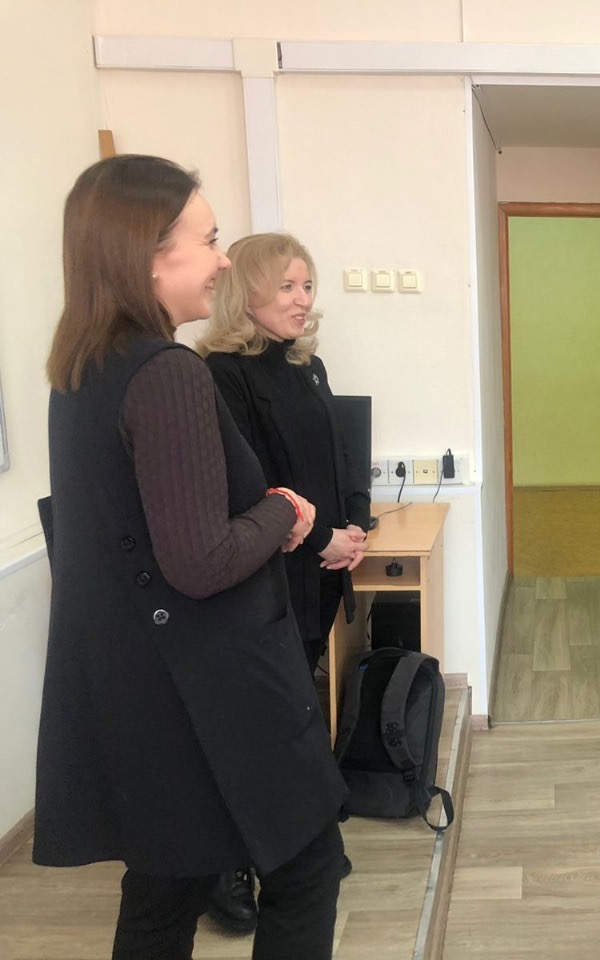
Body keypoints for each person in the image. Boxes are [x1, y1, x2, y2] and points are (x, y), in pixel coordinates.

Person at [36, 154, 348, 960]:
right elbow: (201, 560)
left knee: (166, 887)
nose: (221, 262)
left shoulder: (82, 370)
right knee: (308, 868)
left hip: (143, 688)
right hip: (213, 687)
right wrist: (284, 509)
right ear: (147, 252)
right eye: (208, 242)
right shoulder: (167, 373)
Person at [197, 232, 370, 933]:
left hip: (319, 568)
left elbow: (337, 455)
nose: (303, 300)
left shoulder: (308, 366)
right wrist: (324, 537)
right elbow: (249, 486)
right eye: (287, 286)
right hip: (268, 573)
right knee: (262, 727)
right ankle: (230, 867)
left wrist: (355, 523)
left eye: (307, 285)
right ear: (247, 292)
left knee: (298, 714)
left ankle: (301, 851)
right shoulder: (219, 373)